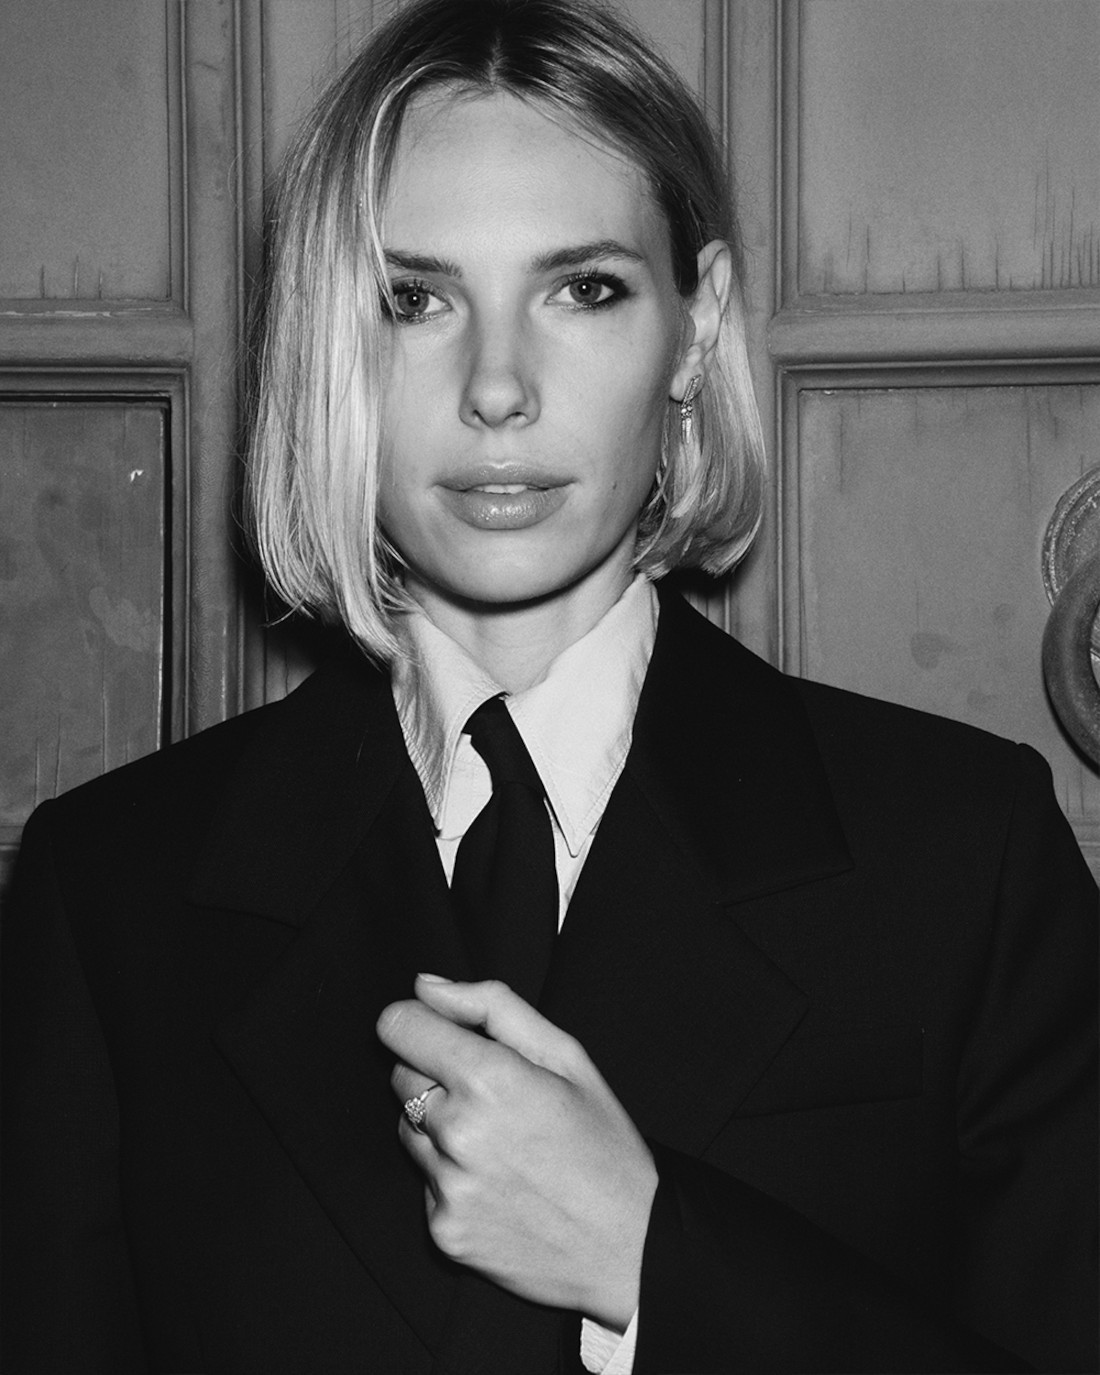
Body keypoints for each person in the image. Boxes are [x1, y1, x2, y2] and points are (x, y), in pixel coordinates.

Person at [2, 1, 1096, 1371]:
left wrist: (652, 1261)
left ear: (694, 329)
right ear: (323, 345)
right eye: (413, 301)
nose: (497, 388)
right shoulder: (114, 890)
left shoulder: (961, 855)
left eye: (583, 290)